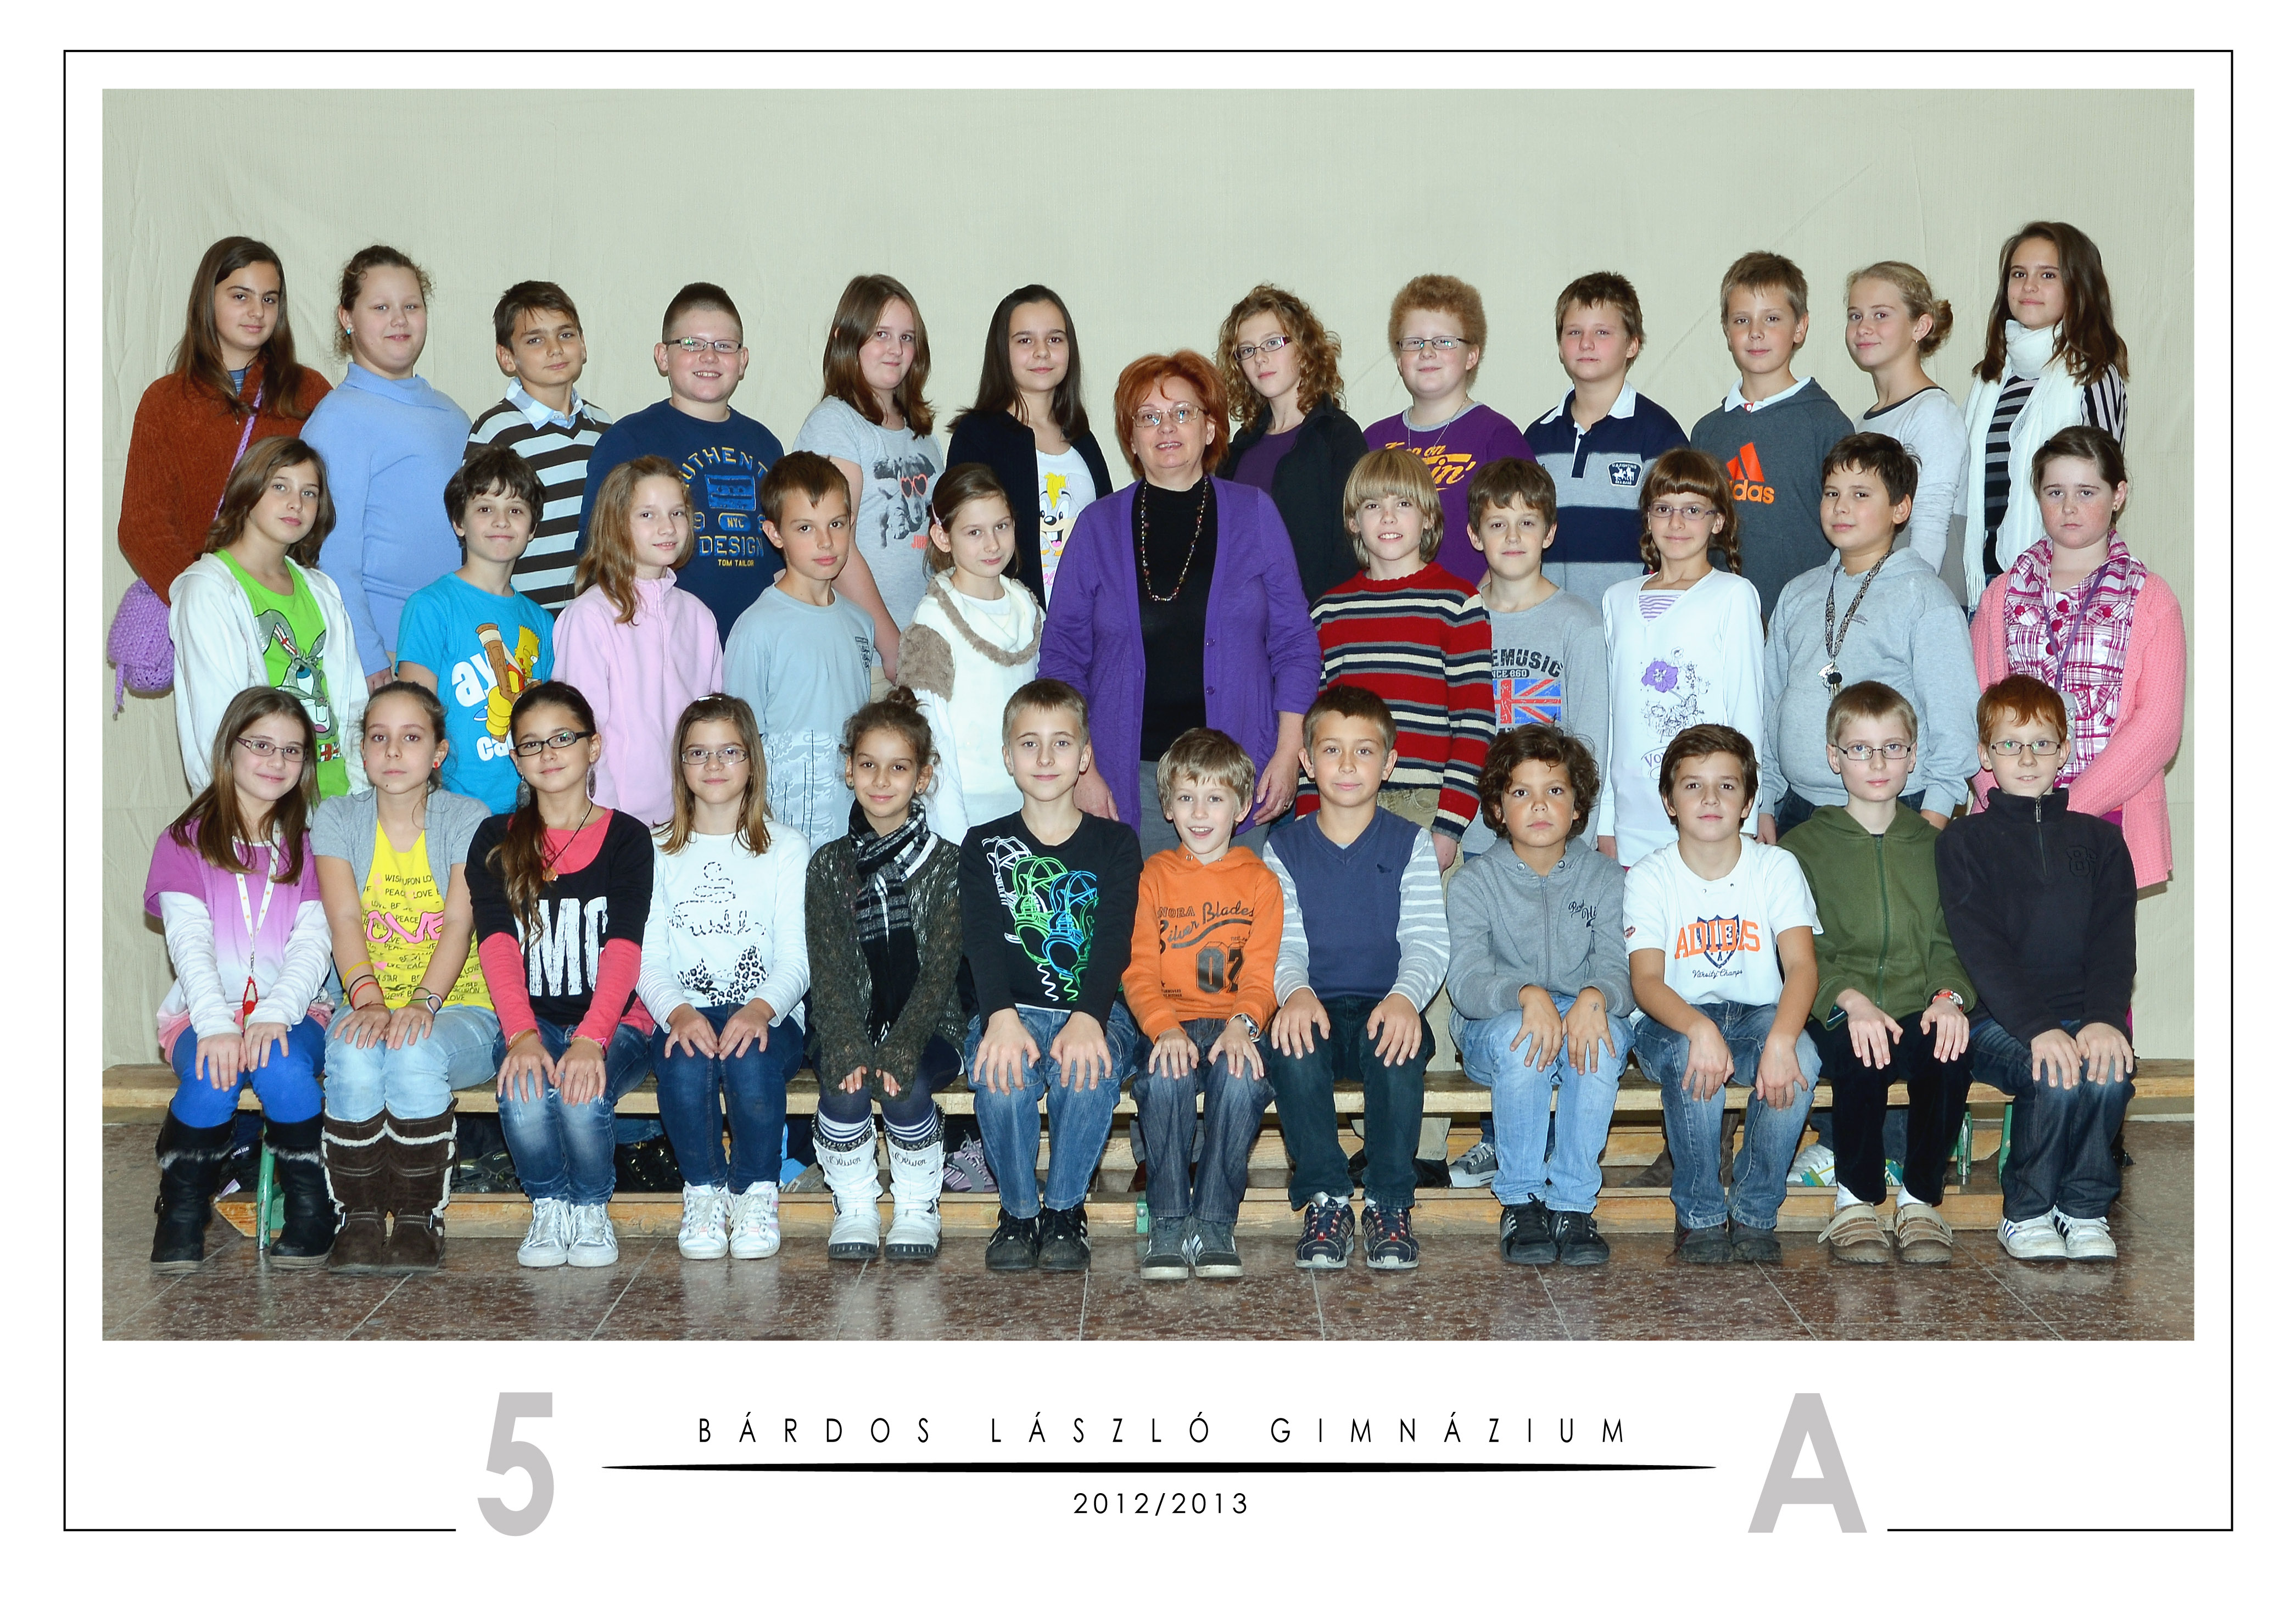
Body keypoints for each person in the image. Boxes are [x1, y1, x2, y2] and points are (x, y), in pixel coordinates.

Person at [1038, 349, 1321, 857]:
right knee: (1139, 911)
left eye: (1182, 412)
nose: (1165, 427)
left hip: (1237, 778)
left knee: (1233, 910)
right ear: (1131, 438)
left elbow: (1295, 644)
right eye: (1148, 417)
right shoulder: (1097, 527)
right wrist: (1081, 769)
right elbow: (1062, 659)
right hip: (1125, 783)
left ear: (1210, 429)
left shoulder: (1255, 514)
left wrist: (1287, 752)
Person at [1936, 676, 2137, 1262]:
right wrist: (2036, 1027)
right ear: (1985, 755)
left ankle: (2083, 1208)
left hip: (2080, 1014)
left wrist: (2104, 1019)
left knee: (2106, 1071)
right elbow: (1981, 950)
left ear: (2064, 750)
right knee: (2053, 1071)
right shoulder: (1962, 842)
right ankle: (2025, 1211)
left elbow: (2112, 943)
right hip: (1995, 1020)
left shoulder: (2101, 843)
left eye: (2041, 744)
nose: (2026, 759)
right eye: (2009, 744)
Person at [1780, 681, 1976, 1264]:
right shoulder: (1802, 848)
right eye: (1859, 749)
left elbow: (1950, 937)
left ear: (1912, 756)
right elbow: (1802, 946)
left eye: (1892, 748)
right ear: (1833, 757)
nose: (1877, 763)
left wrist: (1948, 996)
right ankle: (1855, 1199)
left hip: (1918, 1001)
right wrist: (1848, 998)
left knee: (1949, 1051)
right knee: (1861, 1050)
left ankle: (1919, 1200)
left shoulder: (1935, 845)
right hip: (1839, 1004)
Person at [466, 681, 657, 1270]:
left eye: (562, 738)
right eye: (531, 744)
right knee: (524, 1094)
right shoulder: (495, 838)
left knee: (580, 1096)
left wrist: (592, 1038)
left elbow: (624, 946)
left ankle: (591, 1206)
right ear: (516, 758)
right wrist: (521, 1035)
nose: (547, 753)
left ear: (593, 746)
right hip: (533, 1021)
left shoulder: (628, 837)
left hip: (617, 1022)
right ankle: (550, 1204)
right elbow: (497, 946)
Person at [144, 689, 336, 1271]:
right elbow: (189, 945)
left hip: (295, 1010)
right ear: (230, 748)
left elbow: (313, 944)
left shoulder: (315, 845)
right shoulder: (184, 841)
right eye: (261, 745)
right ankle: (181, 1211)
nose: (277, 761)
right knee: (212, 1071)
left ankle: (310, 1206)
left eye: (293, 750)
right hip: (205, 1011)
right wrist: (215, 1024)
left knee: (282, 1065)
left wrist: (275, 1013)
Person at [959, 680, 1143, 1273]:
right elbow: (981, 942)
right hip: (1007, 1009)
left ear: (1084, 756)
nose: (1044, 757)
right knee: (1002, 1075)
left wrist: (1089, 1017)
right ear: (1007, 757)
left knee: (1086, 1071)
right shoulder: (982, 844)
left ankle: (1064, 1210)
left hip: (1095, 1009)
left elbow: (1113, 938)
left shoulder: (1116, 843)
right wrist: (998, 1018)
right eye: (1029, 743)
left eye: (1061, 743)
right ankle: (1017, 1213)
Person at [310, 681, 496, 1272]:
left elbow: (460, 921)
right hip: (369, 999)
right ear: (362, 749)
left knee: (414, 1049)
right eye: (379, 737)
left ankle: (419, 1216)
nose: (393, 751)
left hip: (460, 1008)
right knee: (353, 1052)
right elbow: (344, 917)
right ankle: (360, 1216)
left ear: (438, 752)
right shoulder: (336, 817)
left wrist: (422, 1002)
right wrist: (367, 1001)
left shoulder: (467, 817)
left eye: (411, 738)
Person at [1263, 685, 1450, 1271]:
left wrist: (1404, 998)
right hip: (1314, 1008)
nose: (1347, 765)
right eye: (1331, 750)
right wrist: (1294, 994)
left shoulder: (1410, 843)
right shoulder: (1283, 847)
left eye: (1364, 751)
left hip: (1383, 1007)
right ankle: (1326, 1199)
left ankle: (1389, 1202)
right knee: (1289, 1045)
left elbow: (1426, 940)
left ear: (1388, 763)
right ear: (1306, 761)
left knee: (1400, 1045)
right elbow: (1283, 943)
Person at [1625, 723, 1822, 1264]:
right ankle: (1700, 1216)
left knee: (1802, 1057)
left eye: (1726, 786)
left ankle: (1755, 1211)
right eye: (1692, 786)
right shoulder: (1649, 876)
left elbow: (1802, 967)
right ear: (1669, 801)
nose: (1709, 799)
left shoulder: (1775, 866)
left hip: (1757, 1014)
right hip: (1672, 1019)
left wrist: (1782, 1038)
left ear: (1748, 802)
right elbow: (1646, 981)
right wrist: (1698, 1027)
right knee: (1693, 1058)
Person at [1446, 724, 1629, 1265]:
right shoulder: (1475, 881)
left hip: (1581, 1013)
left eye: (1554, 790)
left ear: (1578, 807)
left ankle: (1572, 1206)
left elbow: (1622, 969)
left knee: (1601, 1043)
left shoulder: (1605, 879)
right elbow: (1466, 981)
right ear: (1497, 809)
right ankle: (1522, 1200)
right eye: (1521, 792)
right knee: (1523, 1039)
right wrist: (1524, 993)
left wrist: (1597, 995)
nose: (1539, 805)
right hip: (1495, 1023)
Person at [1971, 427, 2184, 889]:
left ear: (2117, 495)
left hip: (2108, 816)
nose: (2068, 506)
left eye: (2086, 492)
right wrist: (2003, 809)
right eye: (2055, 492)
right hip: (2010, 824)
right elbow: (1975, 711)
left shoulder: (2150, 598)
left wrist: (2065, 811)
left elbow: (2158, 728)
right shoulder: (2001, 594)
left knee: (2092, 938)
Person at [639, 696, 811, 1263]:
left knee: (749, 1057)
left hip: (769, 1014)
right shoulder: (655, 849)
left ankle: (755, 1191)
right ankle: (705, 1191)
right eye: (698, 753)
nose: (713, 765)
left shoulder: (786, 848)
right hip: (685, 1011)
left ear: (752, 761)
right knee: (684, 1063)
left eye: (729, 752)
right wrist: (678, 1013)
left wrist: (760, 1009)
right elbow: (647, 959)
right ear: (681, 765)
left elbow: (797, 958)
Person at [805, 690, 969, 1263]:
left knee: (906, 1083)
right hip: (845, 1021)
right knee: (843, 1082)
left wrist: (901, 1044)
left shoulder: (948, 863)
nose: (881, 780)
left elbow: (941, 974)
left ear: (922, 777)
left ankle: (917, 1204)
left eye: (898, 768)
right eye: (868, 765)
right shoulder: (827, 865)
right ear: (849, 770)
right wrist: (847, 1043)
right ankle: (853, 1203)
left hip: (931, 1027)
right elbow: (827, 970)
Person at [1758, 433, 1980, 841]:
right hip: (1797, 809)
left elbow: (1954, 719)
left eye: (1860, 494)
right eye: (1832, 493)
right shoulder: (1797, 594)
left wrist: (1931, 819)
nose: (1840, 506)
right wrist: (1766, 802)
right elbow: (1770, 702)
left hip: (1895, 809)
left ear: (1900, 508)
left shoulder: (1924, 597)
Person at [1122, 728, 1282, 1282]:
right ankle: (1169, 1221)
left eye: (1214, 798)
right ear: (1166, 807)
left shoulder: (1260, 881)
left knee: (1240, 1079)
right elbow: (1138, 969)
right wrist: (1163, 1027)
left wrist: (1243, 1024)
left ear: (1240, 807)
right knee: (1164, 1080)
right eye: (1186, 797)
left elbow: (1261, 974)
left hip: (1235, 1023)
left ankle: (1214, 1222)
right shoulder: (1153, 876)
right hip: (1169, 1022)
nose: (1198, 812)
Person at [1294, 448, 1493, 868]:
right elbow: (1313, 729)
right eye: (1372, 506)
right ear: (1353, 521)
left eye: (1403, 504)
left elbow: (1474, 725)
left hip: (1426, 807)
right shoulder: (1328, 612)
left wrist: (1448, 826)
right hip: (1342, 804)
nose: (1387, 518)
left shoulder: (1457, 603)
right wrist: (1308, 819)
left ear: (1428, 518)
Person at [119, 234, 330, 602]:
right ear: (208, 300)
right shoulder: (165, 400)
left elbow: (332, 504)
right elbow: (142, 526)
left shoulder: (309, 392)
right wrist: (205, 599)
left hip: (282, 606)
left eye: (269, 299)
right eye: (240, 296)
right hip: (195, 605)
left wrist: (285, 595)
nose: (257, 311)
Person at [578, 282, 784, 646]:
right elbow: (597, 554)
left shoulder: (766, 445)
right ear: (663, 357)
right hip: (660, 648)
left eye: (724, 346)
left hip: (755, 647)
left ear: (743, 361)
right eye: (691, 344)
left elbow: (785, 558)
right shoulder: (627, 442)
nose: (709, 357)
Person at [305, 244, 470, 685]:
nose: (399, 320)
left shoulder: (453, 414)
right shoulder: (338, 419)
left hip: (461, 644)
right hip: (389, 652)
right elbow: (331, 554)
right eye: (380, 308)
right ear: (347, 318)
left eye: (411, 306)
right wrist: (367, 653)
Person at [169, 435, 367, 799]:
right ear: (248, 490)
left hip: (338, 802)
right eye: (280, 486)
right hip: (261, 806)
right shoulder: (209, 589)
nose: (296, 503)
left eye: (309, 493)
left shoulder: (322, 590)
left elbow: (354, 704)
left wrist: (361, 795)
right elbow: (216, 721)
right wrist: (247, 814)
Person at [1594, 448, 1764, 868]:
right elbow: (1612, 717)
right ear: (1647, 518)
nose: (1675, 523)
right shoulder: (1616, 599)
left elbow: (1746, 713)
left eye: (1692, 510)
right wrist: (1606, 819)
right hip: (1632, 818)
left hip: (1709, 817)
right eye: (1663, 508)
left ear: (1717, 521)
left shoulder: (1733, 595)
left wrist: (1744, 821)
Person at [1955, 221, 2129, 606]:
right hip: (1984, 581)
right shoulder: (1990, 380)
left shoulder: (2092, 376)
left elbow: (2098, 486)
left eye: (2047, 275)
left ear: (2077, 287)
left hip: (2061, 583)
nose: (2029, 286)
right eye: (2019, 274)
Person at [554, 456, 725, 828]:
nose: (668, 527)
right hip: (616, 824)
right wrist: (609, 825)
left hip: (688, 821)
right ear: (617, 524)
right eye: (647, 515)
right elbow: (580, 733)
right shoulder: (589, 617)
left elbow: (713, 725)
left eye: (677, 513)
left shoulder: (699, 617)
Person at [724, 452, 879, 852]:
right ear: (775, 534)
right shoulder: (757, 628)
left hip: (851, 831)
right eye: (805, 528)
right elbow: (740, 741)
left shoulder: (861, 624)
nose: (825, 541)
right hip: (782, 836)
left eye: (836, 524)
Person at [1688, 252, 1856, 616]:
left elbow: (1851, 533)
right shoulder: (1706, 432)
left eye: (1772, 318)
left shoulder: (1827, 426)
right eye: (1742, 320)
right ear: (1726, 330)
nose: (1756, 332)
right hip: (1718, 619)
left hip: (1803, 619)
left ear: (1800, 328)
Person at [1457, 459, 1608, 860]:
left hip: (1556, 837)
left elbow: (1592, 745)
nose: (1512, 536)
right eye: (1497, 524)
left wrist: (1580, 842)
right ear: (1475, 535)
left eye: (1527, 522)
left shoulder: (1581, 624)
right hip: (1473, 838)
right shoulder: (1458, 620)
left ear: (1549, 532)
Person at [795, 273, 945, 677]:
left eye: (907, 337)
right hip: (868, 657)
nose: (896, 349)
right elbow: (835, 545)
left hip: (923, 651)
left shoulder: (924, 437)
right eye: (881, 334)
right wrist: (893, 648)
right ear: (847, 339)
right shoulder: (835, 424)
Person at [394, 446, 556, 814]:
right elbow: (414, 719)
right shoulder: (430, 607)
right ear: (459, 523)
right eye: (485, 509)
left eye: (515, 510)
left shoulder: (542, 622)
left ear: (532, 528)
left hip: (526, 813)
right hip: (451, 810)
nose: (501, 522)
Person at [1521, 271, 1689, 602]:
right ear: (1560, 346)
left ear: (1632, 345)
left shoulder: (1660, 437)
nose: (1586, 343)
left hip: (1633, 618)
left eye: (1602, 332)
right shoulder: (1536, 440)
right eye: (1574, 332)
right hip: (1552, 620)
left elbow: (1681, 537)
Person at [944, 284, 1114, 608]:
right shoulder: (976, 437)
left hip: (1082, 626)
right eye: (1025, 340)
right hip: (1008, 626)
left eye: (1055, 339)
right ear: (1002, 351)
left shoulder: (1084, 441)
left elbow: (1108, 542)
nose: (1042, 352)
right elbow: (963, 542)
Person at [903, 465, 1044, 843]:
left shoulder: (1028, 608)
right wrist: (955, 837)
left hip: (1032, 798)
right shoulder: (934, 620)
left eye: (1002, 526)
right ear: (942, 537)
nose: (993, 544)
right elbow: (933, 740)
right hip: (968, 808)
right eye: (974, 532)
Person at [1361, 273, 1526, 583]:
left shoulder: (1498, 437)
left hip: (1472, 607)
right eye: (1414, 343)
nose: (1427, 352)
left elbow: (1520, 540)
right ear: (1399, 360)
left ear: (1472, 356)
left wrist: (1474, 606)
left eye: (1444, 342)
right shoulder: (1373, 441)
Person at [466, 280, 613, 612]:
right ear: (507, 357)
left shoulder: (605, 428)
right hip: (522, 618)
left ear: (583, 345)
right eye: (535, 340)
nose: (555, 349)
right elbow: (477, 533)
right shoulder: (496, 432)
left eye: (566, 335)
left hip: (595, 617)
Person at [1215, 283, 1366, 603]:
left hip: (1319, 622)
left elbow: (1351, 548)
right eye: (1247, 350)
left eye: (1273, 343)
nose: (1260, 359)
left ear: (1304, 348)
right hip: (1248, 625)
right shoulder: (1238, 449)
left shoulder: (1338, 437)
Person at [1842, 261, 1964, 577]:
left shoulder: (1932, 412)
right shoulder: (1858, 425)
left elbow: (1931, 525)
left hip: (1918, 590)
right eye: (1855, 316)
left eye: (1881, 315)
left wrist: (1908, 596)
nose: (1864, 327)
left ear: (1920, 327)